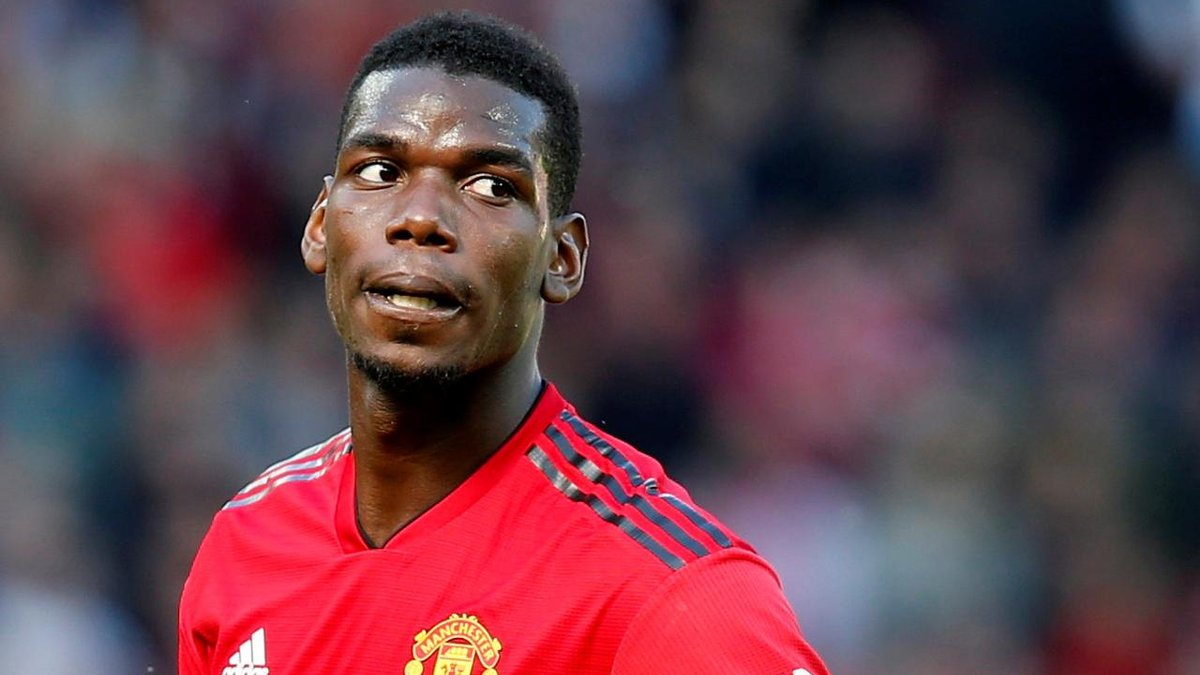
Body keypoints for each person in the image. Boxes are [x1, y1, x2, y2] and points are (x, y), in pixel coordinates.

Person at [179, 11, 829, 675]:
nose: (420, 218)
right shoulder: (246, 542)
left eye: (491, 186)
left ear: (563, 258)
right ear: (321, 224)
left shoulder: (670, 596)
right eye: (378, 171)